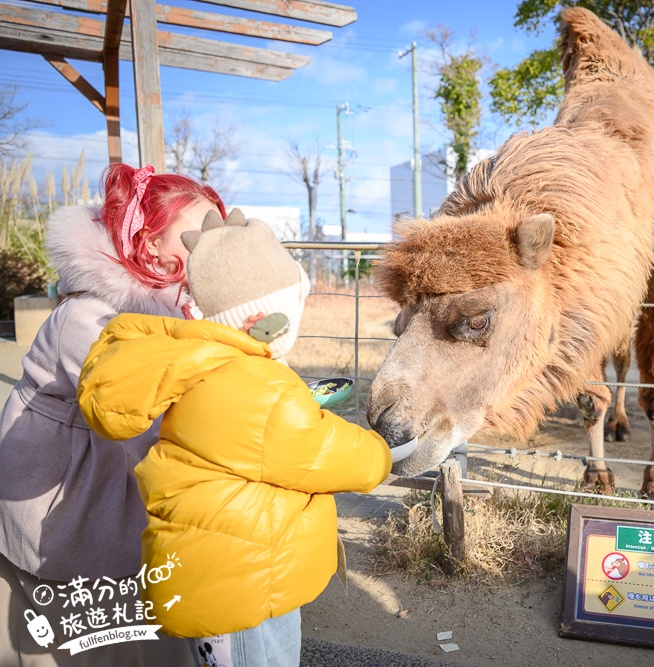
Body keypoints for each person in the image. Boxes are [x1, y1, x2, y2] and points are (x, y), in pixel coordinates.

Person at [76, 208, 392, 667]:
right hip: (236, 585)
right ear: (266, 320)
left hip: (230, 566)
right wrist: (381, 451)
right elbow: (325, 452)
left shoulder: (217, 364)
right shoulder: (259, 385)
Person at [0, 163, 224, 666]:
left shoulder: (178, 308)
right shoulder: (89, 318)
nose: (214, 247)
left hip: (112, 496)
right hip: (65, 508)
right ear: (148, 246)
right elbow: (159, 400)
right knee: (82, 640)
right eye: (198, 236)